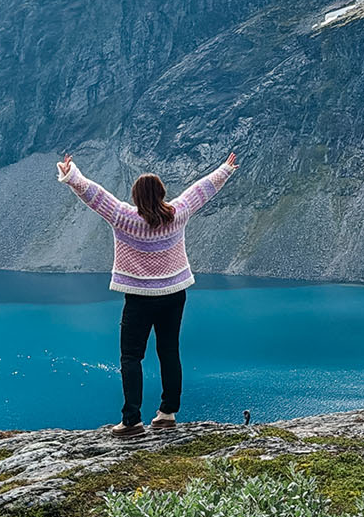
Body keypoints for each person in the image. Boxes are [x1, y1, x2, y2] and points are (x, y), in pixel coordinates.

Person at [56, 151, 238, 437]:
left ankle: (131, 421)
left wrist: (72, 175)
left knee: (131, 357)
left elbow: (95, 195)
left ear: (136, 197)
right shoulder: (177, 214)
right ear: (162, 193)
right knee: (169, 352)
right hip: (174, 293)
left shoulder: (124, 217)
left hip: (139, 298)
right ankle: (168, 413)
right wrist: (225, 170)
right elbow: (201, 191)